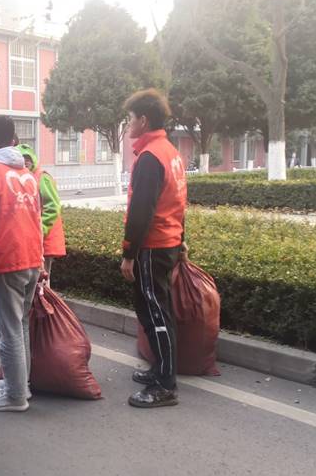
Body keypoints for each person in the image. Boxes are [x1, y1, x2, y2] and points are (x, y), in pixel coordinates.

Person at [120, 89, 187, 409]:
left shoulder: (150, 157)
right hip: (167, 241)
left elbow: (141, 212)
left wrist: (128, 254)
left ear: (143, 120)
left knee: (156, 313)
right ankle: (161, 369)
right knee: (156, 310)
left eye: (130, 118)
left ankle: (165, 385)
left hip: (152, 246)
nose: (128, 124)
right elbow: (179, 201)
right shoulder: (170, 152)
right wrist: (182, 239)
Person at [0, 116, 43, 412]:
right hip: (31, 257)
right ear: (13, 139)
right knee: (20, 325)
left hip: (7, 260)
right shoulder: (28, 174)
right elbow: (36, 218)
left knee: (8, 330)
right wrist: (41, 259)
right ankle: (19, 385)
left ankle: (15, 396)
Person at [17, 143, 66, 283]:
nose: (25, 162)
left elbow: (53, 207)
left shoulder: (41, 177)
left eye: (28, 158)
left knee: (42, 282)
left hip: (43, 238)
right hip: (34, 238)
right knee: (35, 282)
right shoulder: (25, 177)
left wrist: (40, 230)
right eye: (22, 159)